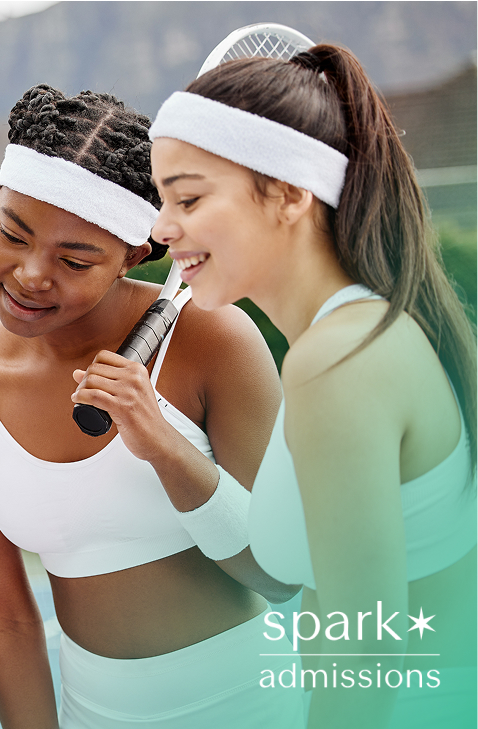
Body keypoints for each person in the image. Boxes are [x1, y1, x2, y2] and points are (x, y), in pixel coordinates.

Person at [0, 85, 306, 728]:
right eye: (12, 233)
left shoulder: (216, 338)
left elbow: (278, 573)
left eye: (75, 260)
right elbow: (7, 618)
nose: (31, 274)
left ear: (137, 252)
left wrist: (165, 446)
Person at [148, 44, 477, 729]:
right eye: (161, 199)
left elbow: (363, 648)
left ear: (292, 193)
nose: (160, 227)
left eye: (188, 196)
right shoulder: (349, 336)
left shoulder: (335, 361)